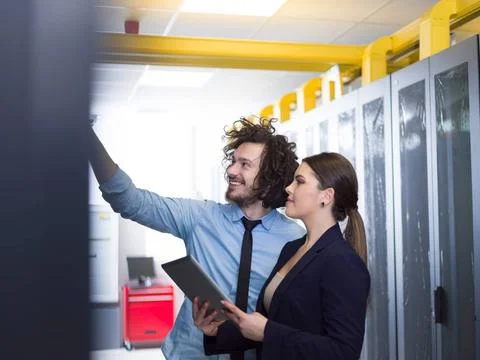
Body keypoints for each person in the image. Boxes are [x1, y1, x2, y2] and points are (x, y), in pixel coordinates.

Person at [88, 116, 306, 359]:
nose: (231, 171)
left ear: (270, 175)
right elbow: (128, 201)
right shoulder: (201, 217)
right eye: (233, 162)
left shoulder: (295, 239)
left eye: (245, 164)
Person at [194, 152, 370, 360]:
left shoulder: (343, 262)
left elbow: (343, 352)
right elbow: (271, 326)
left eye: (299, 182)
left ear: (326, 196)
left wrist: (268, 331)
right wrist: (217, 332)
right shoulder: (292, 249)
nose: (289, 188)